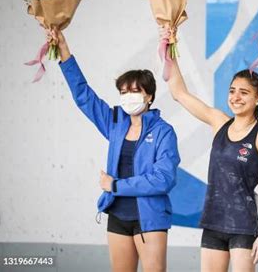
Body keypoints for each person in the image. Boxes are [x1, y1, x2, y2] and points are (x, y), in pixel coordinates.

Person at [49, 29, 180, 272]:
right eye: (123, 92)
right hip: (117, 215)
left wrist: (115, 186)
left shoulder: (164, 132)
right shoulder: (116, 123)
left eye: (135, 91)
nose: (128, 97)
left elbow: (163, 180)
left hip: (149, 218)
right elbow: (84, 96)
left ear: (149, 96)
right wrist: (64, 51)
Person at [160, 27, 258, 272]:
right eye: (232, 91)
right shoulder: (219, 122)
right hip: (213, 223)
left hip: (244, 227)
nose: (236, 97)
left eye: (244, 93)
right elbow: (179, 93)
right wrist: (169, 46)